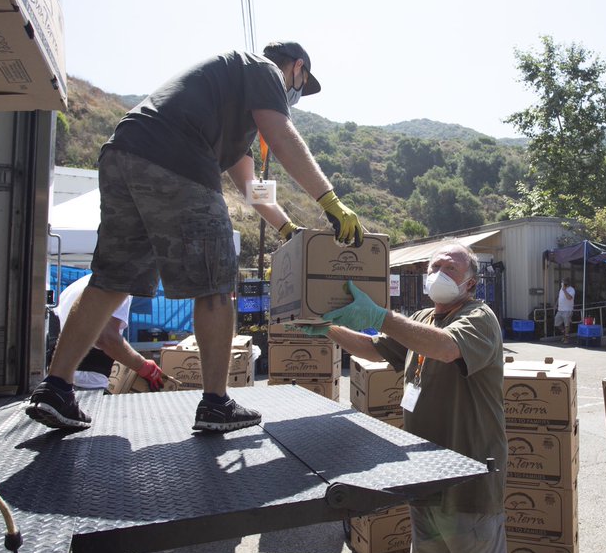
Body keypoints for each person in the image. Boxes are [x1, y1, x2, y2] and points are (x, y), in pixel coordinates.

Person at [27, 42, 361, 435]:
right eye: (301, 86)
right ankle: (216, 403)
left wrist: (287, 228)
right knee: (216, 283)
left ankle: (56, 387)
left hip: (124, 152)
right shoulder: (263, 70)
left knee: (111, 279)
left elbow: (250, 185)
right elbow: (282, 132)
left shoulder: (230, 110)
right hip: (176, 156)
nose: (296, 94)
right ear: (297, 69)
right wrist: (330, 200)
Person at [311, 243, 522, 553]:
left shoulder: (479, 318)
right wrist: (328, 330)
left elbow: (446, 348)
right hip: (426, 486)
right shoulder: (422, 319)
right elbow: (376, 349)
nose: (439, 270)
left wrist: (380, 316)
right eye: (434, 265)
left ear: (471, 281)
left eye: (451, 265)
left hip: (470, 489)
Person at [54, 272, 161, 553]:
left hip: (70, 383)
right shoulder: (119, 285)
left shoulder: (79, 285)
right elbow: (107, 338)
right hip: (89, 384)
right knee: (104, 473)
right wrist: (144, 365)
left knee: (74, 473)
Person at [555, 278, 575, 344]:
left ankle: (566, 338)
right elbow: (559, 297)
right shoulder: (561, 289)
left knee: (567, 325)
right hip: (560, 309)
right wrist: (556, 304)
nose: (562, 283)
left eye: (563, 282)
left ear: (567, 283)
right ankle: (564, 333)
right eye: (562, 282)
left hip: (567, 310)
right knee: (557, 323)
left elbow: (569, 298)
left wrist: (564, 290)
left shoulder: (571, 290)